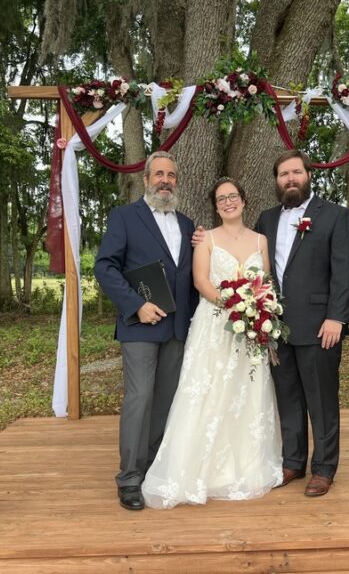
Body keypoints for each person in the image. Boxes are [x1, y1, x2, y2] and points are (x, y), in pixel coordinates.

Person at [142, 177, 283, 509]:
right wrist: (232, 304)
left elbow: (265, 281)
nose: (228, 202)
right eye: (221, 199)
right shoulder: (206, 239)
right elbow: (201, 280)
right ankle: (195, 470)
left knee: (245, 393)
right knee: (206, 391)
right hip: (214, 324)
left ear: (244, 201)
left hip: (250, 326)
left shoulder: (261, 240)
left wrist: (256, 309)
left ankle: (244, 465)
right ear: (215, 206)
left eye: (233, 196)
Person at [94, 150, 198, 511]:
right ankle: (130, 478)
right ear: (146, 179)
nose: (165, 180)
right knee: (139, 399)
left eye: (171, 174)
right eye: (159, 174)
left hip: (177, 327)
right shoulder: (125, 217)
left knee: (166, 402)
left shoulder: (187, 224)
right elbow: (105, 267)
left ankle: (154, 467)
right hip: (140, 325)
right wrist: (136, 304)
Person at [255, 149, 349, 497]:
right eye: (283, 174)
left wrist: (337, 318)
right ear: (276, 181)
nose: (290, 179)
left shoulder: (333, 216)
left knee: (321, 400)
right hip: (277, 328)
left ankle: (324, 468)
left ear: (308, 175)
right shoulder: (266, 220)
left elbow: (346, 272)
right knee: (288, 398)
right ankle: (293, 462)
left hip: (319, 327)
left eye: (296, 172)